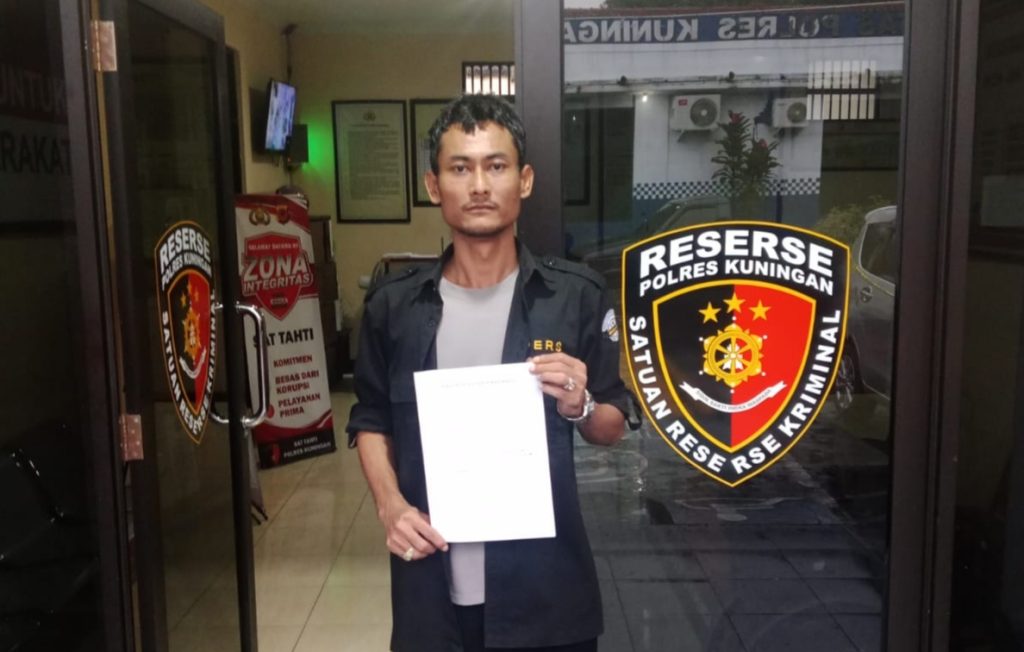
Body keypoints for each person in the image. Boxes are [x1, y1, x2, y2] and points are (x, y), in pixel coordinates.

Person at [347, 94, 635, 652]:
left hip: (546, 596)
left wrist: (579, 404)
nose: (479, 185)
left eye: (496, 166)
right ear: (434, 186)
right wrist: (390, 505)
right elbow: (371, 419)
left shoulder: (574, 296)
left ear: (524, 180)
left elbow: (612, 425)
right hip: (431, 593)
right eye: (460, 168)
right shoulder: (394, 307)